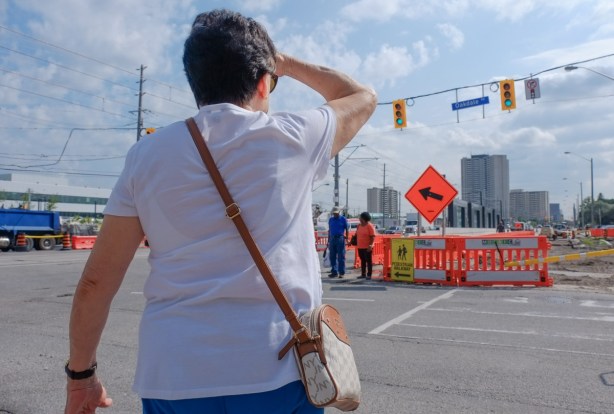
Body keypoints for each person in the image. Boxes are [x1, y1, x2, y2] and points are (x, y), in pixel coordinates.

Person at [63, 9, 376, 414]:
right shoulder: (293, 138)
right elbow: (361, 97)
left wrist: (81, 379)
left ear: (195, 83)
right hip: (277, 371)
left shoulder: (145, 156)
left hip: (173, 376)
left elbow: (96, 282)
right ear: (264, 82)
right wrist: (282, 61)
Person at [327, 206, 349, 278]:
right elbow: (329, 230)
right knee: (332, 256)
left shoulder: (343, 219)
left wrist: (347, 238)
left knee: (341, 256)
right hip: (332, 238)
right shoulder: (331, 220)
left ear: (339, 212)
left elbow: (346, 228)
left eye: (336, 213)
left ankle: (341, 272)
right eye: (334, 213)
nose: (335, 214)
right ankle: (334, 271)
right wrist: (328, 240)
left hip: (340, 238)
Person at [355, 211, 376, 279]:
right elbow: (356, 235)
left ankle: (369, 274)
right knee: (362, 260)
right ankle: (363, 274)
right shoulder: (359, 226)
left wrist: (370, 245)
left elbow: (372, 236)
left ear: (364, 218)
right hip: (360, 246)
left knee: (368, 261)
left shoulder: (369, 225)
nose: (359, 219)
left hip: (367, 247)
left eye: (360, 217)